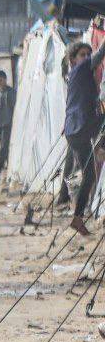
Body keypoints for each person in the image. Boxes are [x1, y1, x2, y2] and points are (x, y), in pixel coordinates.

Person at [62, 39, 105, 235]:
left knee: (89, 175)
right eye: (83, 55)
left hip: (76, 129)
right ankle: (101, 149)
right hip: (81, 128)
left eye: (89, 54)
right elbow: (100, 53)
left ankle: (78, 218)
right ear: (73, 59)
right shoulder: (80, 70)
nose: (87, 57)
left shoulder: (76, 76)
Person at [0, 70, 16, 180]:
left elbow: (15, 108)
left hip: (8, 123)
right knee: (5, 149)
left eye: (0, 79)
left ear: (5, 79)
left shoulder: (11, 92)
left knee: (4, 148)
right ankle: (9, 172)